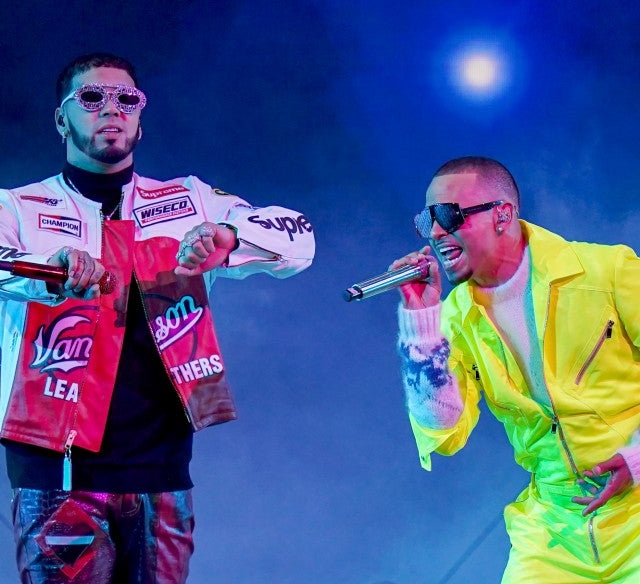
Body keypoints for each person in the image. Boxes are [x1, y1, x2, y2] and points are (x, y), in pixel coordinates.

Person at [0, 52, 315, 584]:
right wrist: (49, 270)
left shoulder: (189, 199)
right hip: (56, 468)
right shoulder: (19, 207)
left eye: (127, 99)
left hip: (163, 469)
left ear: (141, 120)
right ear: (61, 120)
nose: (111, 109)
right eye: (92, 97)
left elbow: (300, 238)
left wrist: (228, 240)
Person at [391, 155, 640, 582]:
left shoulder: (606, 271)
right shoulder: (452, 319)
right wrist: (421, 325)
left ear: (502, 215)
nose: (435, 233)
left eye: (447, 216)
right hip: (554, 528)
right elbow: (443, 431)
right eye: (425, 220)